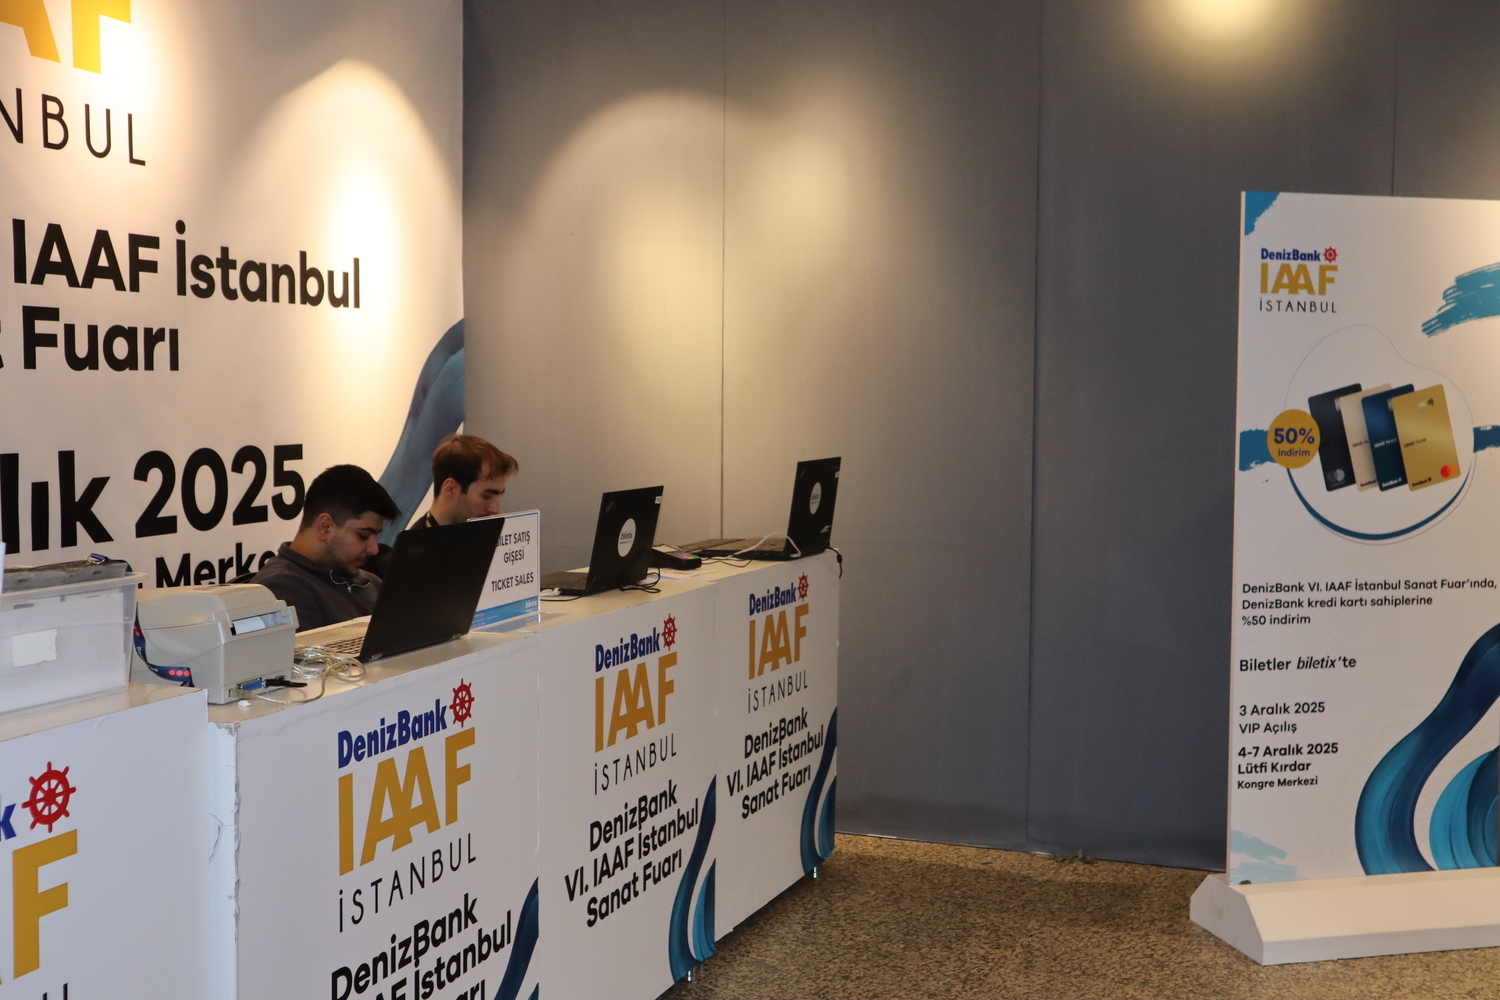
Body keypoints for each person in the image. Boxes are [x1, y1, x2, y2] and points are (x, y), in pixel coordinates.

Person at [253, 464, 401, 631]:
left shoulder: (372, 583)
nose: (374, 549)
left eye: (376, 536)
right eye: (363, 535)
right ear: (325, 527)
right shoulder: (279, 590)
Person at [419, 434, 519, 527]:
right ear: (451, 489)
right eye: (486, 496)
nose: (495, 509)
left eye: (499, 497)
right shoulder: (412, 541)